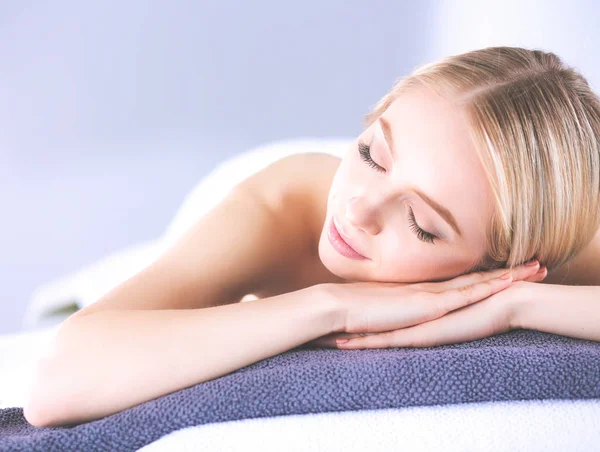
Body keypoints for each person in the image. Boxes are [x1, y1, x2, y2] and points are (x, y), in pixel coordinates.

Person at [23, 45, 600, 428]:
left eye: (422, 224)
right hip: (238, 194)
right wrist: (329, 304)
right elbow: (56, 383)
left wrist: (517, 304)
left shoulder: (551, 243)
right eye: (373, 152)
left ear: (508, 261)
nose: (359, 209)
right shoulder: (290, 205)